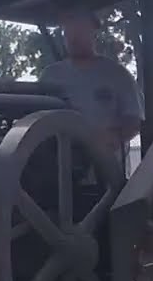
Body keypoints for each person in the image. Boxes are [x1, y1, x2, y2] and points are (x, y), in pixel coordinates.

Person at [38, 10, 144, 170]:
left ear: (93, 32)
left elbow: (134, 120)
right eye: (68, 32)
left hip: (107, 171)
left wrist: (108, 139)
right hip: (59, 166)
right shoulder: (50, 75)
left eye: (79, 30)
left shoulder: (117, 74)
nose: (73, 37)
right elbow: (38, 119)